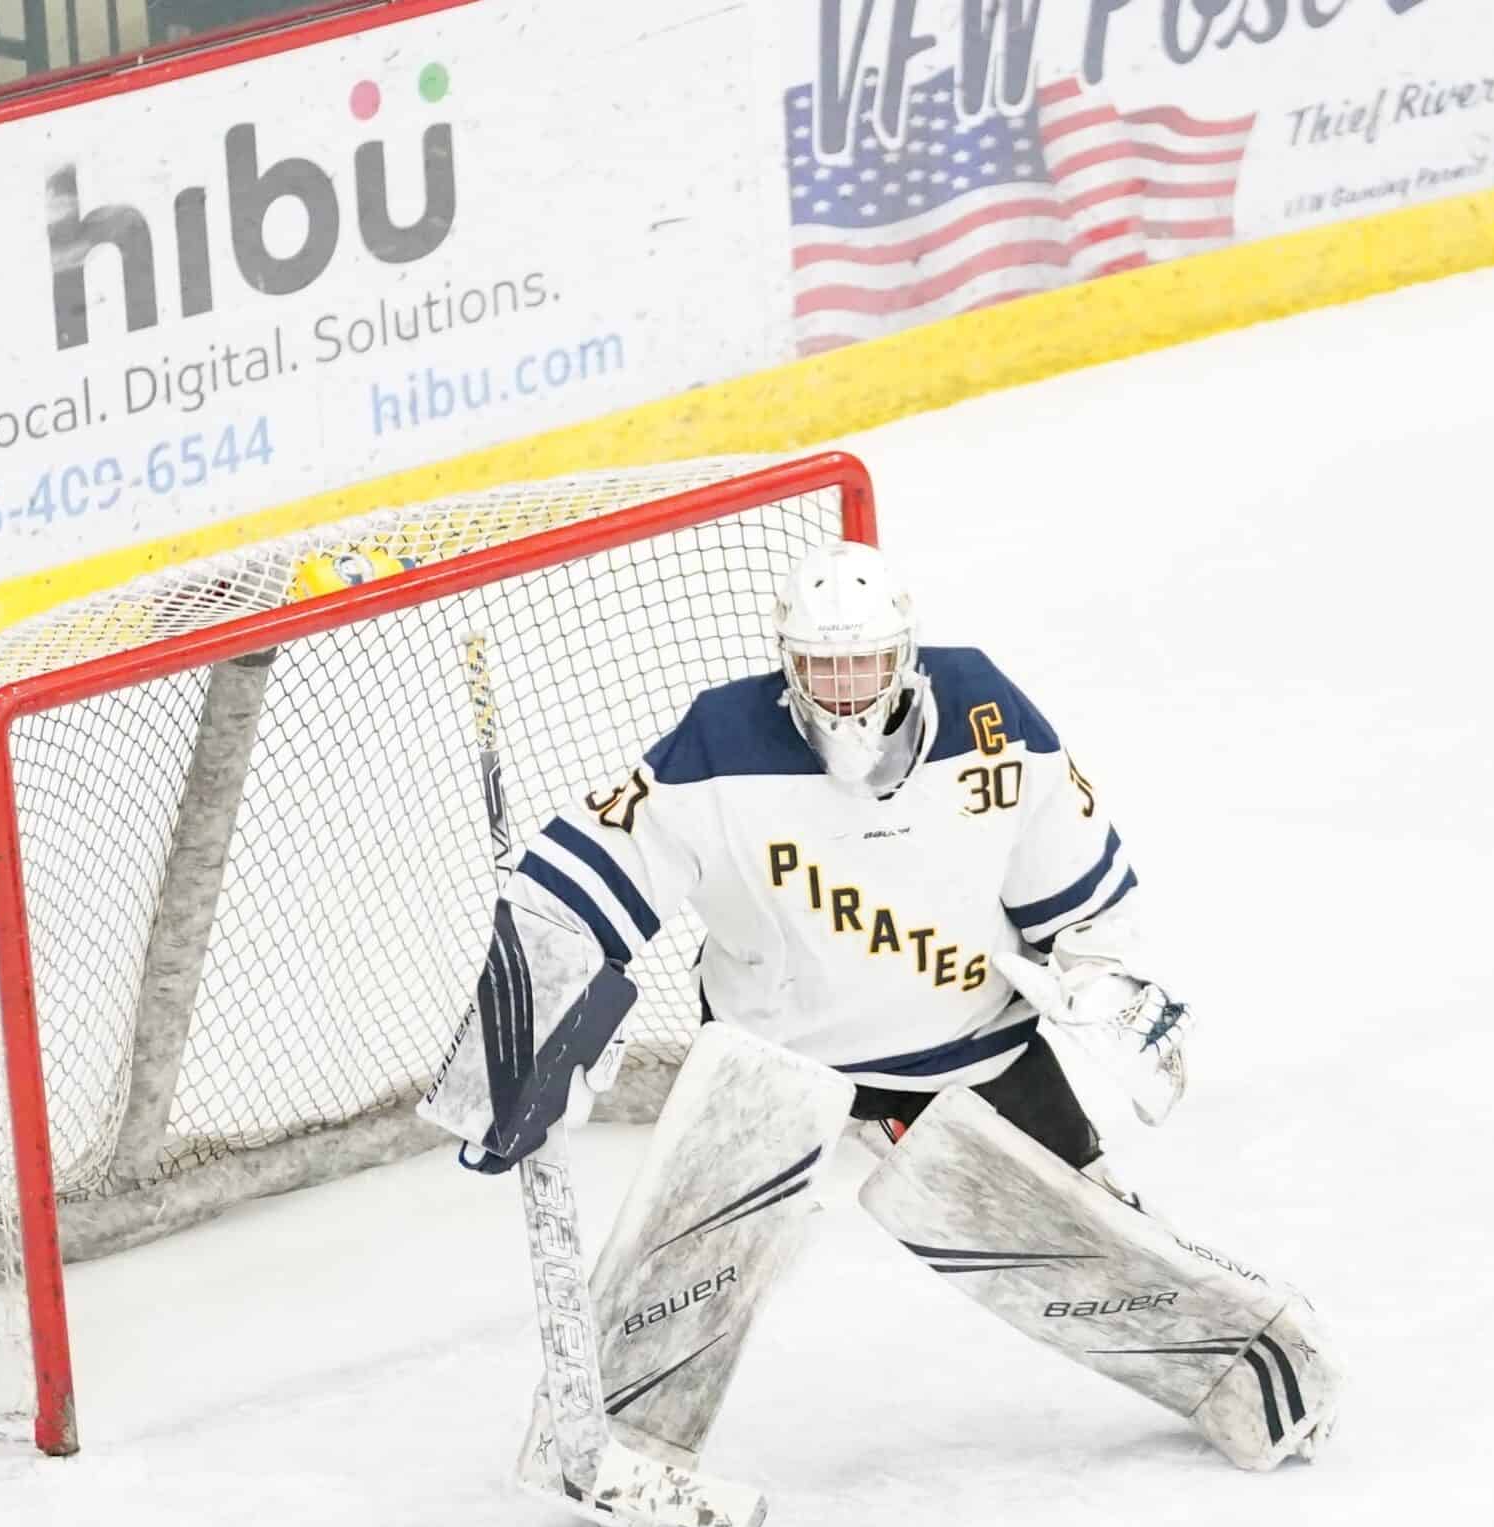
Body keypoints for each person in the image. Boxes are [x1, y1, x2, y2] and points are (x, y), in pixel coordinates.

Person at [422, 540, 1337, 1478]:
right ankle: (612, 1446)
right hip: (776, 1059)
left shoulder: (989, 717)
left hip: (968, 1047)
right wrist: (516, 1045)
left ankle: (1252, 1370)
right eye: (821, 666)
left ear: (905, 653)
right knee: (691, 1256)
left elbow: (1073, 886)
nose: (844, 689)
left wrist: (1098, 979)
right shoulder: (720, 744)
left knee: (1095, 1244)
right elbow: (578, 878)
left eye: (863, 663)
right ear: (786, 658)